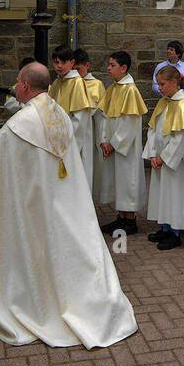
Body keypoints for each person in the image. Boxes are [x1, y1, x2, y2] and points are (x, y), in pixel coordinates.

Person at [0, 62, 137, 348]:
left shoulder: (22, 122)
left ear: (26, 86)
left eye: (18, 82)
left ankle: (36, 301)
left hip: (35, 206)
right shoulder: (60, 114)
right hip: (62, 202)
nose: (16, 86)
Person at [144, 65, 184, 250]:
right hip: (160, 159)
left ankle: (175, 232)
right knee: (163, 194)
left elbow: (181, 139)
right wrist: (153, 153)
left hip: (176, 163)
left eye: (162, 84)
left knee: (175, 194)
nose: (159, 88)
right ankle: (165, 227)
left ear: (174, 83)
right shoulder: (164, 102)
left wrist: (164, 158)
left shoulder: (183, 106)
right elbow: (152, 129)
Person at [97, 51, 147, 236]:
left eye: (112, 65)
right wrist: (103, 140)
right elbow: (104, 116)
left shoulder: (130, 90)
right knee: (117, 180)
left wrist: (114, 143)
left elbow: (130, 123)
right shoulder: (113, 89)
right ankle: (121, 216)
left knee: (128, 180)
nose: (108, 69)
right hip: (112, 146)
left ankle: (130, 220)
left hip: (125, 148)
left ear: (123, 68)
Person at [49, 45, 97, 191]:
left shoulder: (77, 83)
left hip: (72, 139)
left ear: (71, 63)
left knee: (76, 178)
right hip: (57, 139)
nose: (59, 66)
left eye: (63, 62)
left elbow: (80, 118)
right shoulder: (57, 83)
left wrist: (65, 138)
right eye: (56, 62)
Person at [77, 49, 107, 188]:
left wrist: (102, 139)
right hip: (73, 130)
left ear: (87, 65)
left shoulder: (96, 84)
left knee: (87, 166)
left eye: (78, 69)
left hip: (89, 131)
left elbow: (101, 113)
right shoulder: (68, 83)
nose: (76, 73)